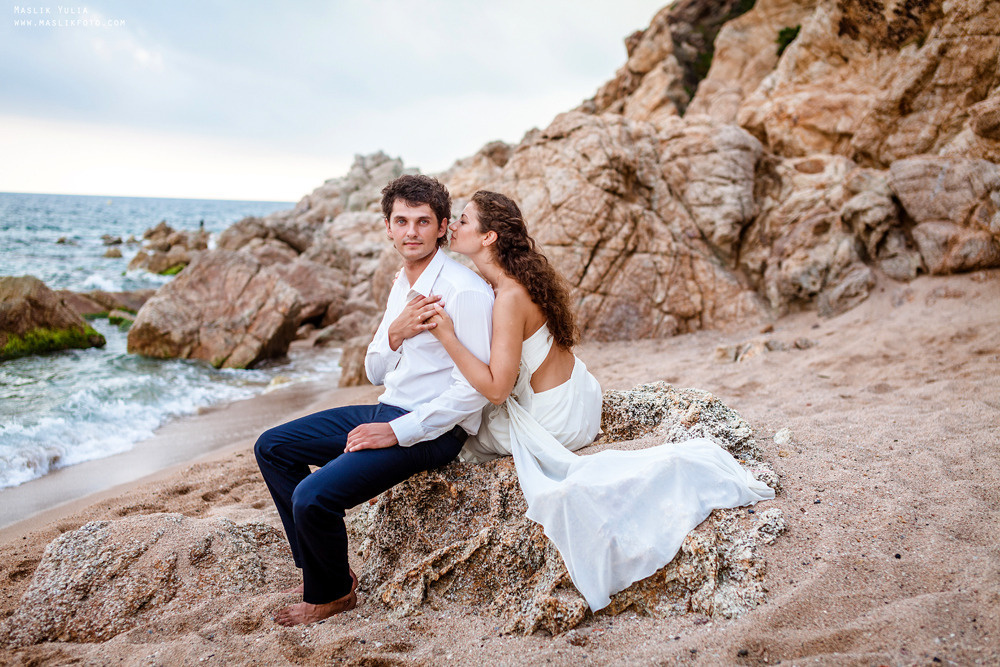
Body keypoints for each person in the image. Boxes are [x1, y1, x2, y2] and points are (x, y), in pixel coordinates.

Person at [421, 190, 775, 610]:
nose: (454, 225)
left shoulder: (509, 296)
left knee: (462, 438)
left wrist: (444, 334)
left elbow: (498, 389)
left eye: (463, 219)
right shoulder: (503, 282)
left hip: (556, 420)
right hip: (577, 394)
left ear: (488, 238)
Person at [254, 175, 494, 626]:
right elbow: (374, 370)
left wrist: (395, 432)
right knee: (272, 447)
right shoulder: (400, 283)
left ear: (443, 226)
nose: (411, 232)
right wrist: (395, 334)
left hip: (436, 428)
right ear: (387, 226)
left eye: (423, 222)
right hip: (389, 405)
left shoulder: (465, 291)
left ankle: (334, 594)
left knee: (312, 497)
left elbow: (475, 389)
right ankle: (319, 567)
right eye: (401, 221)